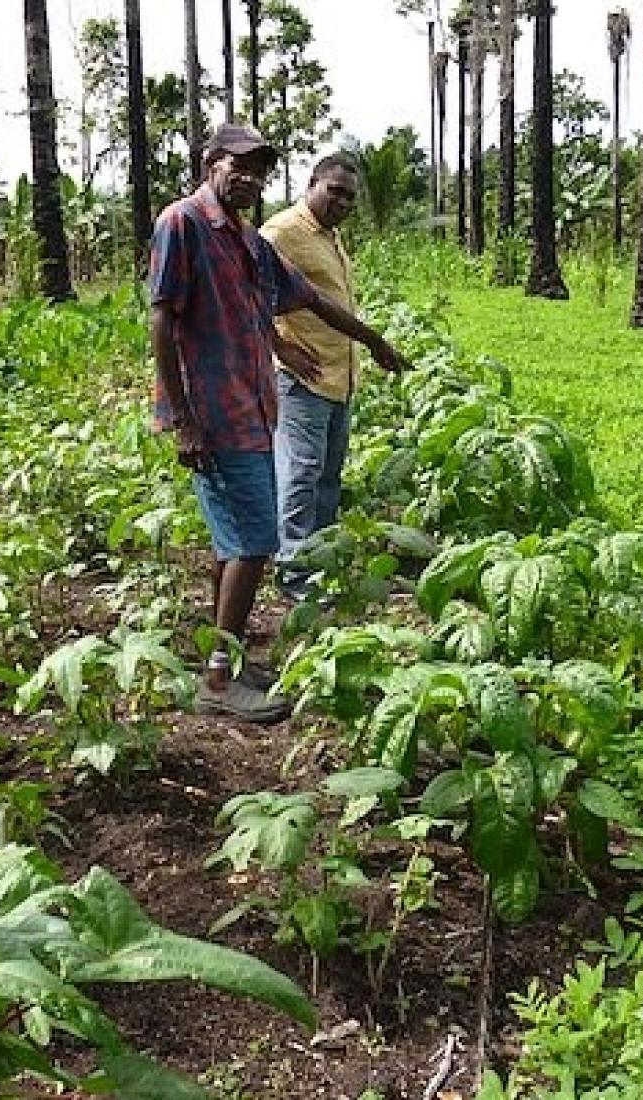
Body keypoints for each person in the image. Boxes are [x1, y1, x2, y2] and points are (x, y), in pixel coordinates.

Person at [148, 122, 411, 724]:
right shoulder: (183, 224)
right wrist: (180, 416)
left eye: (261, 168)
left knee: (232, 541)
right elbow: (162, 320)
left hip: (253, 405)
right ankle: (218, 681)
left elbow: (311, 301)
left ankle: (228, 656)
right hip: (212, 412)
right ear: (211, 162)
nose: (250, 177)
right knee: (257, 540)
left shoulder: (246, 240)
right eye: (239, 164)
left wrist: (374, 342)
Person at [261, 153, 389, 601]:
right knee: (300, 474)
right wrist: (279, 347)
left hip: (338, 377)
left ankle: (319, 565)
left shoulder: (330, 237)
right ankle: (295, 575)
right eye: (333, 190)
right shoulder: (281, 233)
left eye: (350, 197)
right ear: (311, 184)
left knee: (328, 478)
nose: (342, 202)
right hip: (303, 379)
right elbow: (247, 296)